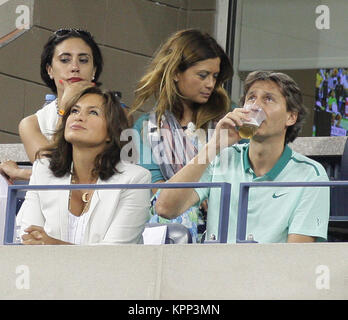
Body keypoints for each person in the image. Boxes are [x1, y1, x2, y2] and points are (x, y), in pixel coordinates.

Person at [155, 70, 330, 243]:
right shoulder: (221, 158)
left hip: (268, 270)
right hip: (214, 268)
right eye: (251, 98)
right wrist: (213, 146)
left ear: (291, 117)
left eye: (268, 99)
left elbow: (296, 256)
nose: (256, 106)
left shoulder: (310, 175)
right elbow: (165, 208)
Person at [129, 29, 233, 242]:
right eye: (202, 75)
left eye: (215, 76)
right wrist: (194, 195)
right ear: (176, 72)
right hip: (169, 227)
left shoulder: (228, 123)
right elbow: (156, 191)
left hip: (225, 223)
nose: (210, 84)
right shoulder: (148, 127)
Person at [16, 86, 151, 245]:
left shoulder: (135, 179)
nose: (79, 117)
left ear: (111, 131)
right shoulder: (43, 170)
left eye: (93, 112)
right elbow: (29, 238)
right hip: (46, 269)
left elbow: (115, 254)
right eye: (74, 111)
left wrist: (52, 245)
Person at [0, 28, 103, 181]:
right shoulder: (31, 124)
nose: (75, 67)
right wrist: (64, 109)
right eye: (65, 60)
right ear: (49, 70)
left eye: (83, 60)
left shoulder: (112, 112)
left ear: (93, 69)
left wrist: (21, 173)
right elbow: (52, 175)